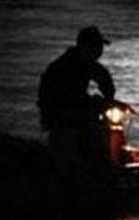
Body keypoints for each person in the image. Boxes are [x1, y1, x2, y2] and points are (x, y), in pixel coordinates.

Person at [37, 26, 116, 184]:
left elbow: (105, 82)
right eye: (97, 47)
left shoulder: (85, 64)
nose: (100, 51)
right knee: (71, 163)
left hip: (68, 115)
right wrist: (95, 102)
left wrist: (106, 98)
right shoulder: (66, 67)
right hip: (61, 118)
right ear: (87, 47)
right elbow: (66, 97)